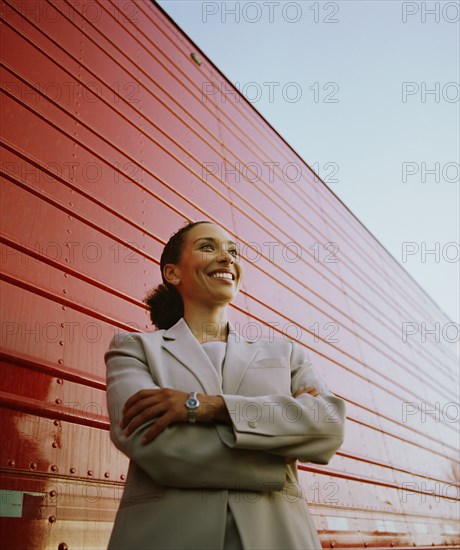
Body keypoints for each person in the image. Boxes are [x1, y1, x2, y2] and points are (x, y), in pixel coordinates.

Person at [105, 220, 346, 550]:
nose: (227, 258)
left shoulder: (285, 353)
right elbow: (156, 446)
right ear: (172, 273)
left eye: (233, 251)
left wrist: (206, 407)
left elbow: (328, 427)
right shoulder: (133, 349)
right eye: (208, 247)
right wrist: (280, 450)